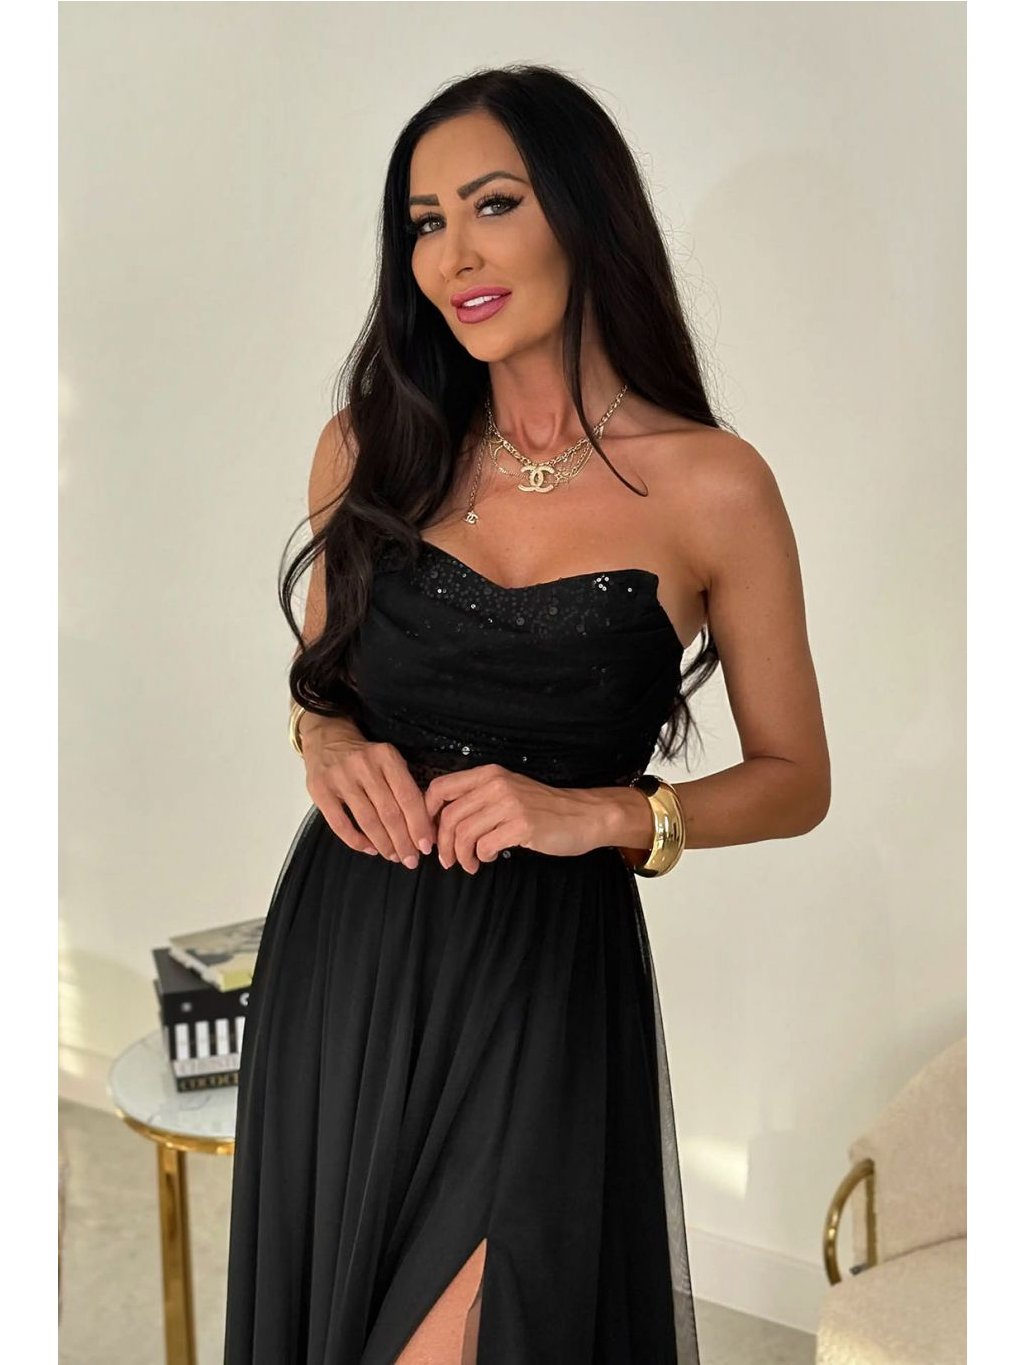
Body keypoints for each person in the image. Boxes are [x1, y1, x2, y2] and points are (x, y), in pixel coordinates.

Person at [223, 63, 830, 1365]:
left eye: (493, 204)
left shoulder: (714, 487)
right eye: (425, 222)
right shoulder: (370, 445)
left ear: (581, 210)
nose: (454, 254)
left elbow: (795, 776)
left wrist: (602, 813)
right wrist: (326, 740)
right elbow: (324, 687)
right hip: (351, 949)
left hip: (543, 978)